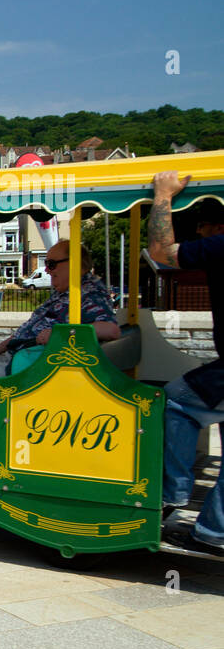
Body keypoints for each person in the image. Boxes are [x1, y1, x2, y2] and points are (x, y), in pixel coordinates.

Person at [0, 239, 120, 463]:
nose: (47, 271)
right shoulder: (65, 293)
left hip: (45, 369)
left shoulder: (88, 295)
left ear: (76, 264)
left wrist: (62, 332)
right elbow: (27, 331)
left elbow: (111, 330)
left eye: (52, 264)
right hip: (30, 358)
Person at [148, 172, 224, 554]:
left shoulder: (220, 244)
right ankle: (213, 530)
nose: (201, 235)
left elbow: (162, 252)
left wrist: (162, 195)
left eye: (202, 228)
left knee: (175, 398)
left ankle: (173, 493)